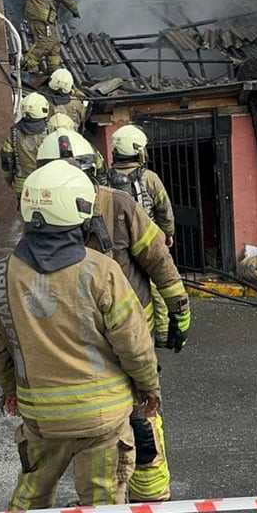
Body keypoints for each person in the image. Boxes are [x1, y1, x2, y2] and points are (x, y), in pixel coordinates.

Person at [0, 160, 160, 513]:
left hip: (41, 416)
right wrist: (148, 388)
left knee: (29, 501)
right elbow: (134, 344)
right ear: (80, 210)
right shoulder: (101, 271)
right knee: (100, 510)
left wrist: (11, 389)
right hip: (102, 418)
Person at [36, 128, 190, 513]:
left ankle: (147, 509)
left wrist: (179, 310)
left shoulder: (119, 206)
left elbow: (158, 259)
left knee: (141, 422)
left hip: (128, 336)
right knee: (92, 429)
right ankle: (100, 502)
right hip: (77, 342)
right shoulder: (40, 216)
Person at [107, 124, 176, 347]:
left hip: (117, 244)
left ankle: (132, 335)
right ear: (139, 151)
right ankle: (163, 335)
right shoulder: (150, 178)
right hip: (148, 240)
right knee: (157, 286)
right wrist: (167, 234)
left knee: (126, 288)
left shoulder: (103, 180)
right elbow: (164, 209)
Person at [21, 0, 80, 75]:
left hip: (43, 13)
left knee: (54, 43)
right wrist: (74, 9)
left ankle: (54, 69)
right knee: (46, 42)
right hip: (41, 14)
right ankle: (27, 64)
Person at [1, 93, 55, 201]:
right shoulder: (52, 130)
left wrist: (8, 178)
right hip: (49, 183)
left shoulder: (14, 132)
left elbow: (6, 156)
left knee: (26, 214)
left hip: (24, 185)